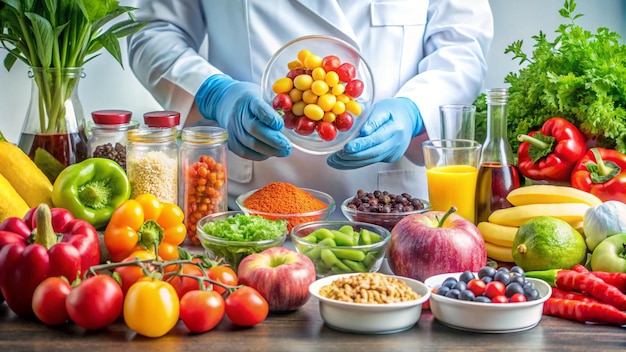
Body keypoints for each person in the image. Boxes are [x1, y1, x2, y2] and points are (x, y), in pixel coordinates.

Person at [127, 0, 494, 216]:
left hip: (391, 205)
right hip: (255, 203)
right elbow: (152, 31)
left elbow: (462, 43)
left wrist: (416, 109)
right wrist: (212, 91)